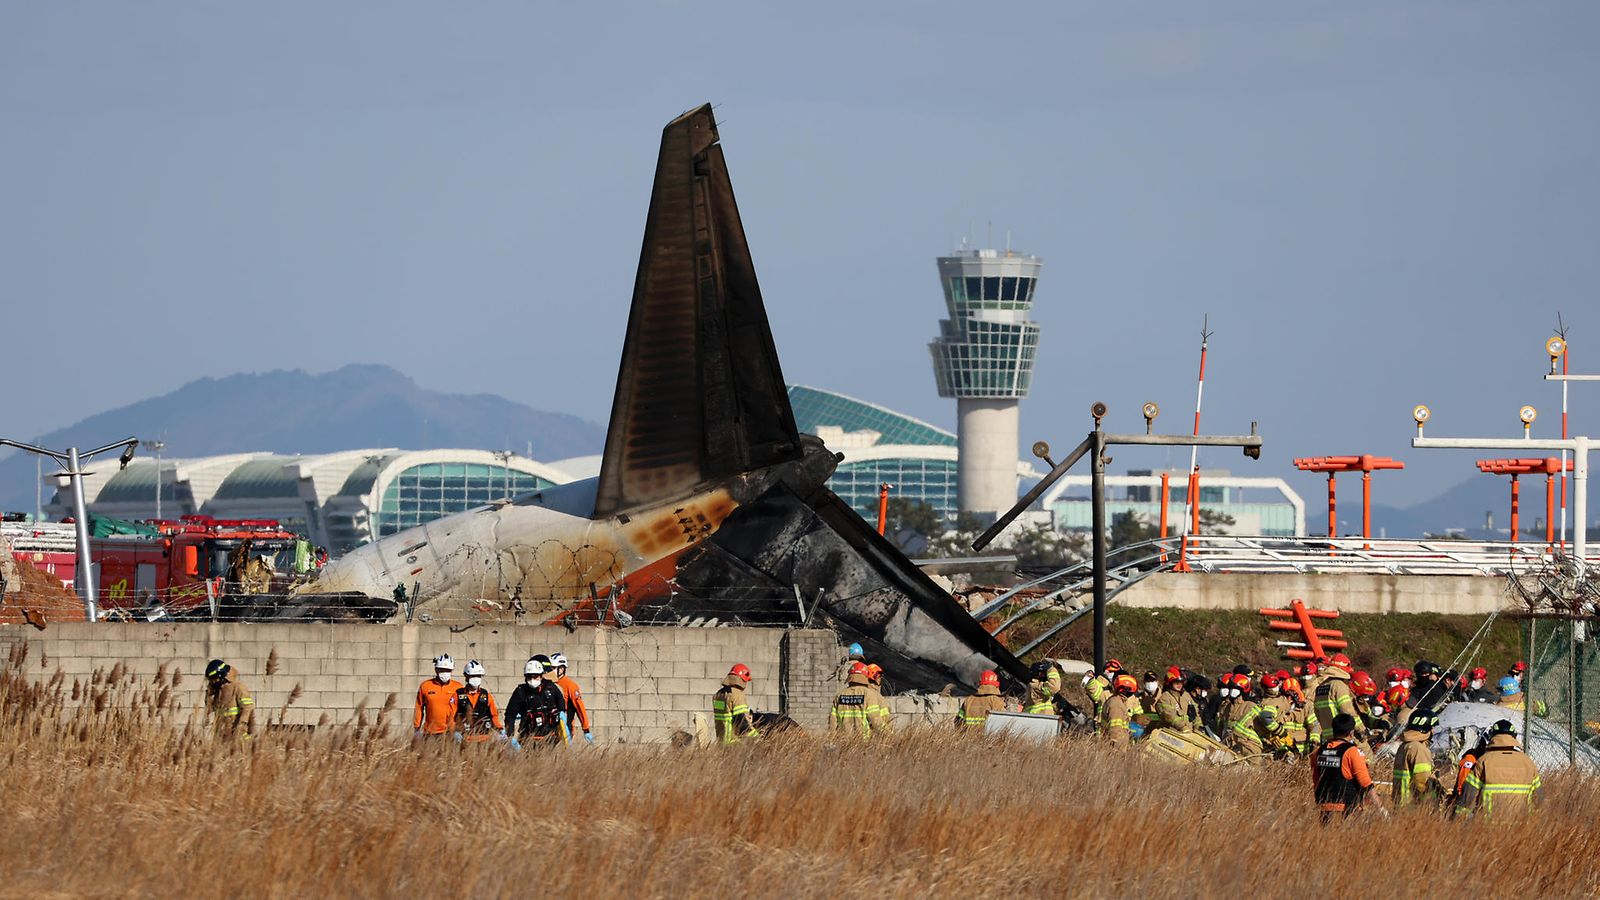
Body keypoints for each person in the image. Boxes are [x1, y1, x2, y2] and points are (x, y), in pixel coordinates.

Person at [1455, 719, 1541, 819]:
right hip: (1522, 827)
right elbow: (1540, 800)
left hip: (1488, 828)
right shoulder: (1528, 763)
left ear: (1492, 737)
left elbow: (1467, 798)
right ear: (1514, 737)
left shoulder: (1483, 761)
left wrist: (1457, 821)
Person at [1312, 713, 1378, 823]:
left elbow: (1316, 779)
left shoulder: (1319, 751)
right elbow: (1365, 783)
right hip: (1347, 809)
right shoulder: (1352, 752)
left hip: (1324, 808)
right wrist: (1380, 808)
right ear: (1351, 733)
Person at [505, 658, 569, 747]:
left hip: (551, 739)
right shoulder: (520, 692)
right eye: (529, 677)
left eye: (535, 676)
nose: (532, 679)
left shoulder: (551, 688)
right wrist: (510, 735)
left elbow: (561, 703)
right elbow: (510, 715)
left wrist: (562, 715)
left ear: (541, 676)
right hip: (528, 740)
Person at [1393, 709, 1440, 809]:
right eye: (1432, 727)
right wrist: (1434, 800)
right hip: (1414, 806)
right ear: (1426, 728)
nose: (1433, 731)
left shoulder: (1404, 746)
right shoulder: (1418, 749)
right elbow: (1422, 781)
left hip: (1400, 804)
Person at [832, 661, 891, 738]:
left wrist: (832, 739)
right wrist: (890, 736)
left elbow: (833, 722)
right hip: (863, 743)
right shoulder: (868, 694)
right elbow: (875, 719)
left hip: (843, 742)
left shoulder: (839, 695)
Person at [1314, 654, 1364, 744]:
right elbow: (1347, 711)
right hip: (1344, 735)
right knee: (1366, 753)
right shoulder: (1339, 685)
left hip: (1328, 738)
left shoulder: (1320, 687)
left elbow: (1317, 713)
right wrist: (1361, 729)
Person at [204, 658, 256, 740]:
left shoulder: (238, 687)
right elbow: (210, 708)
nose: (212, 682)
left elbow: (247, 707)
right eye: (211, 680)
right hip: (221, 733)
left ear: (221, 675)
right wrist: (209, 694)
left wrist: (241, 724)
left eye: (214, 679)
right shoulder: (218, 690)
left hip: (238, 733)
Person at [455, 660, 503, 744]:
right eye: (473, 676)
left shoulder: (486, 695)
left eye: (478, 676)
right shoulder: (458, 694)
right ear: (466, 676)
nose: (476, 678)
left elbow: (494, 715)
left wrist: (500, 730)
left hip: (484, 739)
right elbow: (451, 715)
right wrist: (454, 731)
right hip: (465, 739)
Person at [550, 653, 593, 744]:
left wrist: (586, 729)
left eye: (553, 668)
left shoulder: (570, 686)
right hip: (549, 727)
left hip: (565, 729)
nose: (550, 671)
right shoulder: (548, 684)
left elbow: (579, 708)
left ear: (561, 669)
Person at [414, 653, 461, 737]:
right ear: (436, 669)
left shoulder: (458, 687)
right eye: (442, 670)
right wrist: (417, 727)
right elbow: (419, 708)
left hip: (451, 732)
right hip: (430, 732)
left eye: (448, 670)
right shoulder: (425, 686)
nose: (445, 672)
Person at [713, 663, 760, 744]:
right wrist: (756, 737)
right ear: (742, 679)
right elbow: (741, 720)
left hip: (721, 741)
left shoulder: (718, 694)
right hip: (734, 742)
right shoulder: (736, 694)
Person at [1152, 667, 1194, 733]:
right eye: (1177, 682)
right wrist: (1182, 727)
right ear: (1170, 682)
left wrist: (1199, 726)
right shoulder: (1165, 697)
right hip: (1172, 734)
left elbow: (1195, 713)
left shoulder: (1186, 696)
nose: (1179, 685)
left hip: (1189, 734)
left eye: (1181, 682)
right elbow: (1168, 716)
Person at [1102, 673, 1139, 748]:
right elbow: (1115, 730)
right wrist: (1116, 749)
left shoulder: (1116, 701)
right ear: (1126, 690)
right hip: (1117, 748)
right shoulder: (1117, 705)